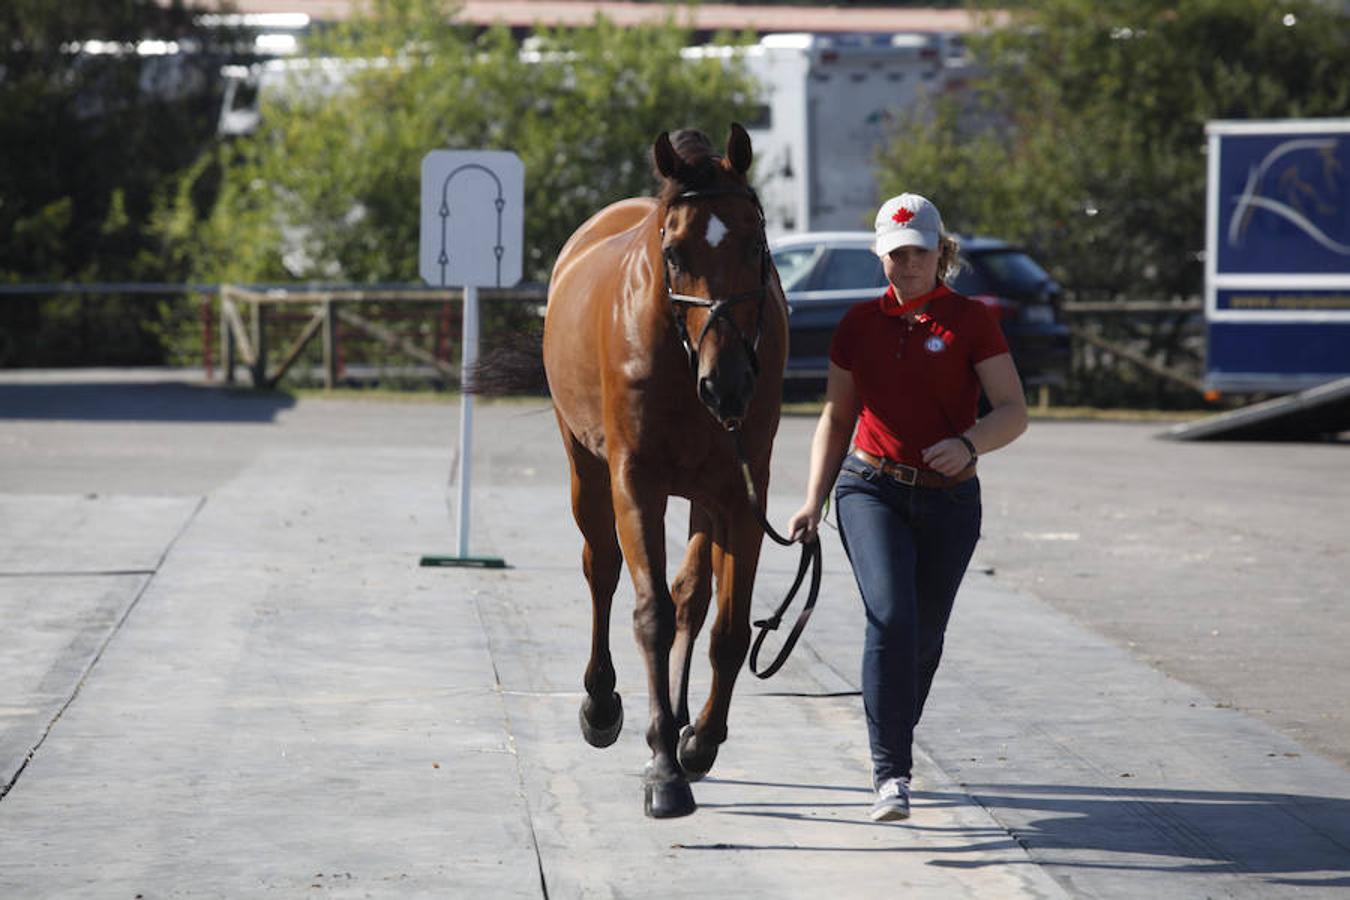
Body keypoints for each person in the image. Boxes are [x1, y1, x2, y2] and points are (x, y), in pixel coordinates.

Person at [786, 193, 1028, 822]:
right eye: (895, 255)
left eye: (918, 251)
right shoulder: (857, 325)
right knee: (891, 618)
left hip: (951, 502)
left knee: (923, 637)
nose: (907, 264)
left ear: (939, 251)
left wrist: (970, 442)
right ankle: (891, 773)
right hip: (870, 487)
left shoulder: (970, 320)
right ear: (881, 256)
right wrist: (812, 500)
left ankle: (891, 726)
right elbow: (837, 416)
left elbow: (1012, 410)